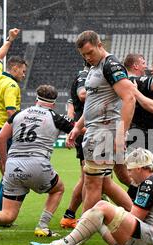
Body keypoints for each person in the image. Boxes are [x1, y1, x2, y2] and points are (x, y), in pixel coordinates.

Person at [30, 147, 153, 245]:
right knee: (96, 215)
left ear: (138, 168)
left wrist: (110, 210)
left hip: (150, 242)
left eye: (130, 170)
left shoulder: (150, 184)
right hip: (144, 241)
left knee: (102, 207)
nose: (128, 174)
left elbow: (135, 217)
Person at [0, 85, 73, 240]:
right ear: (53, 104)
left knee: (8, 215)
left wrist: (5, 163)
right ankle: (42, 226)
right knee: (58, 189)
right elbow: (79, 130)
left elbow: (0, 138)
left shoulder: (19, 114)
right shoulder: (55, 117)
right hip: (38, 164)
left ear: (36, 100)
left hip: (13, 165)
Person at [65, 30, 135, 213]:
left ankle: (82, 229)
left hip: (104, 132)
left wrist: (121, 135)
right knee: (104, 183)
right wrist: (77, 127)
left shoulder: (111, 66)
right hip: (95, 130)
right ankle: (136, 216)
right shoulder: (94, 67)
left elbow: (130, 98)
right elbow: (92, 102)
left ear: (100, 45)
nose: (88, 57)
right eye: (84, 55)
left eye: (90, 52)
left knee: (92, 184)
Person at [117, 53, 153, 198]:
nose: (148, 67)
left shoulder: (118, 82)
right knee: (143, 175)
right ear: (136, 66)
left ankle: (132, 208)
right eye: (144, 63)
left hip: (127, 131)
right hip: (139, 133)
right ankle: (134, 209)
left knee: (138, 174)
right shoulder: (135, 81)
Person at [0, 28, 27, 220]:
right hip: (6, 136)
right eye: (23, 71)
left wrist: (10, 40)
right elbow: (12, 112)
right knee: (12, 179)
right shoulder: (12, 86)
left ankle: (0, 214)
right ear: (15, 68)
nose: (24, 75)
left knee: (6, 176)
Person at [59, 64, 89, 229]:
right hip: (88, 131)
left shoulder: (87, 78)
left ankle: (70, 215)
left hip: (90, 130)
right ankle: (85, 220)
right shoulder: (84, 78)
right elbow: (81, 96)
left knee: (88, 178)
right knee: (91, 179)